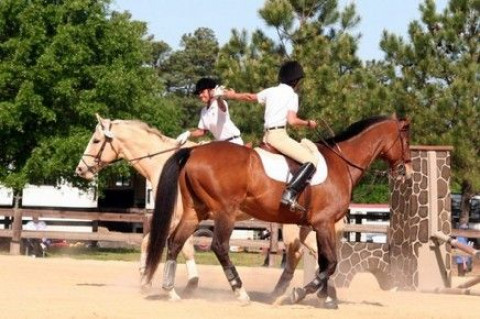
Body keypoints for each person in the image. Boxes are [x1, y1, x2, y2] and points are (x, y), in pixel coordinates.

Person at [219, 61, 318, 211]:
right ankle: (290, 193)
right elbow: (292, 121)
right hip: (279, 136)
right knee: (311, 160)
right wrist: (308, 123)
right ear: (296, 80)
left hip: (266, 136)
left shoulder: (271, 91)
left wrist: (231, 95)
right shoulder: (292, 95)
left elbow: (250, 97)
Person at [176, 77, 244, 146]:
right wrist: (188, 134)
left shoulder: (220, 103)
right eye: (199, 93)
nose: (200, 95)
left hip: (234, 142)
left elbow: (222, 108)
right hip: (220, 145)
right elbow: (201, 131)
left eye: (202, 92)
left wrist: (218, 97)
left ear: (211, 91)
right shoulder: (204, 111)